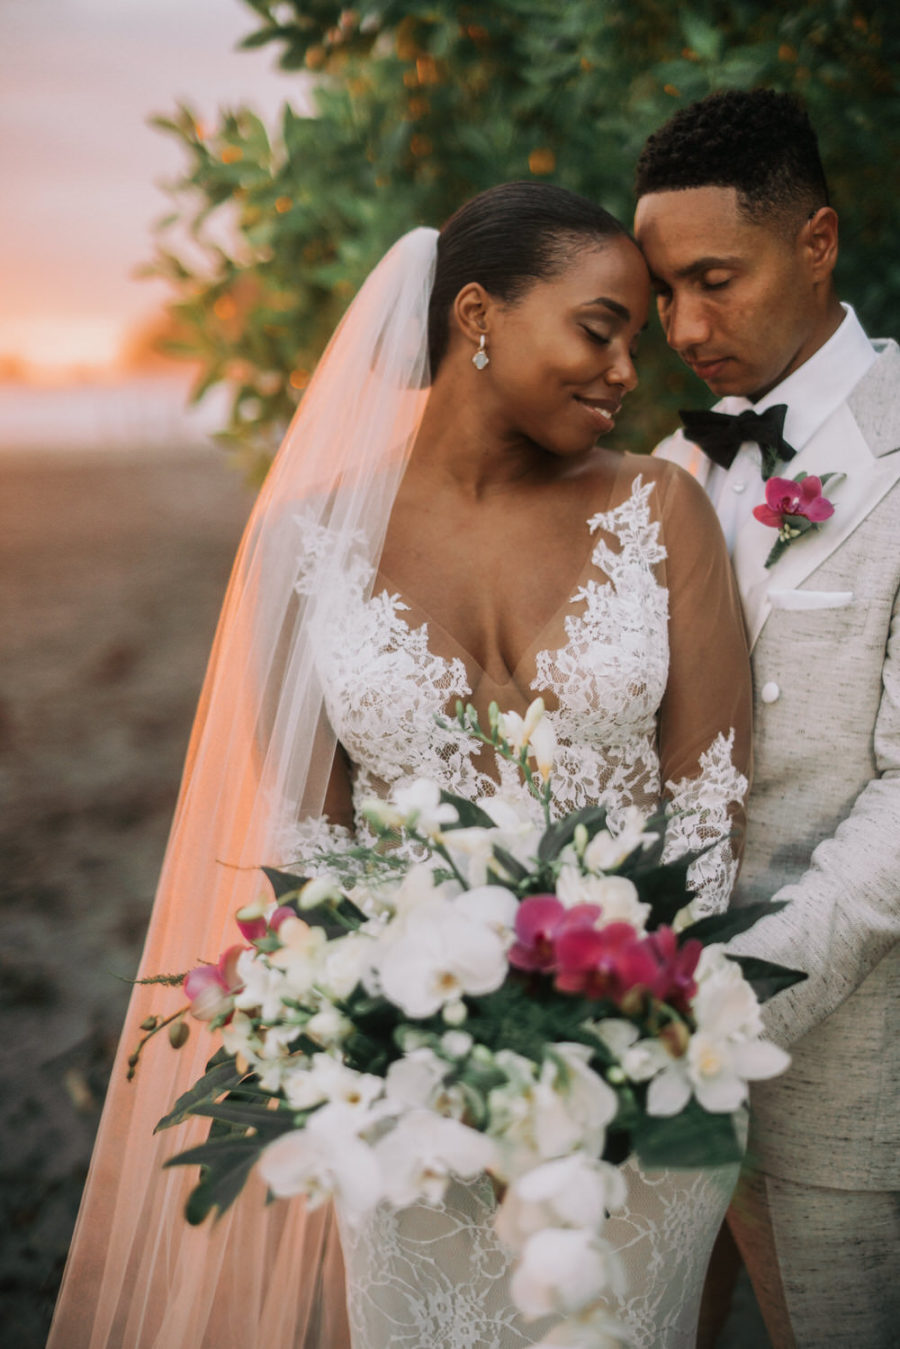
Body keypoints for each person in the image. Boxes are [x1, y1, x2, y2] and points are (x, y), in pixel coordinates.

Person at [49, 181, 751, 1349]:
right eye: (600, 326)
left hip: (635, 1079)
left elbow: (707, 815)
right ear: (476, 313)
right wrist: (408, 1040)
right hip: (406, 1098)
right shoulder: (306, 545)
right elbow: (312, 849)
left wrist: (606, 1030)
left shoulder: (661, 509)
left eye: (635, 334)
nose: (631, 368)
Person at [635, 88, 900, 1347]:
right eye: (661, 291)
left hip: (843, 1076)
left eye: (714, 280)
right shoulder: (670, 469)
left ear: (819, 239)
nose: (685, 326)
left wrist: (728, 1004)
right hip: (637, 1064)